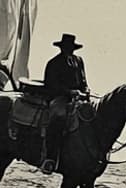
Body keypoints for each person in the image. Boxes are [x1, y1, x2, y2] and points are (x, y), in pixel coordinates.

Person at [37, 33, 89, 173]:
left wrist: (85, 91)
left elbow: (83, 81)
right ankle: (50, 157)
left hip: (78, 98)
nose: (69, 50)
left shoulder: (79, 61)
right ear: (61, 48)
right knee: (59, 117)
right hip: (59, 98)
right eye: (66, 47)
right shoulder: (54, 63)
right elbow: (51, 85)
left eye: (71, 48)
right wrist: (69, 92)